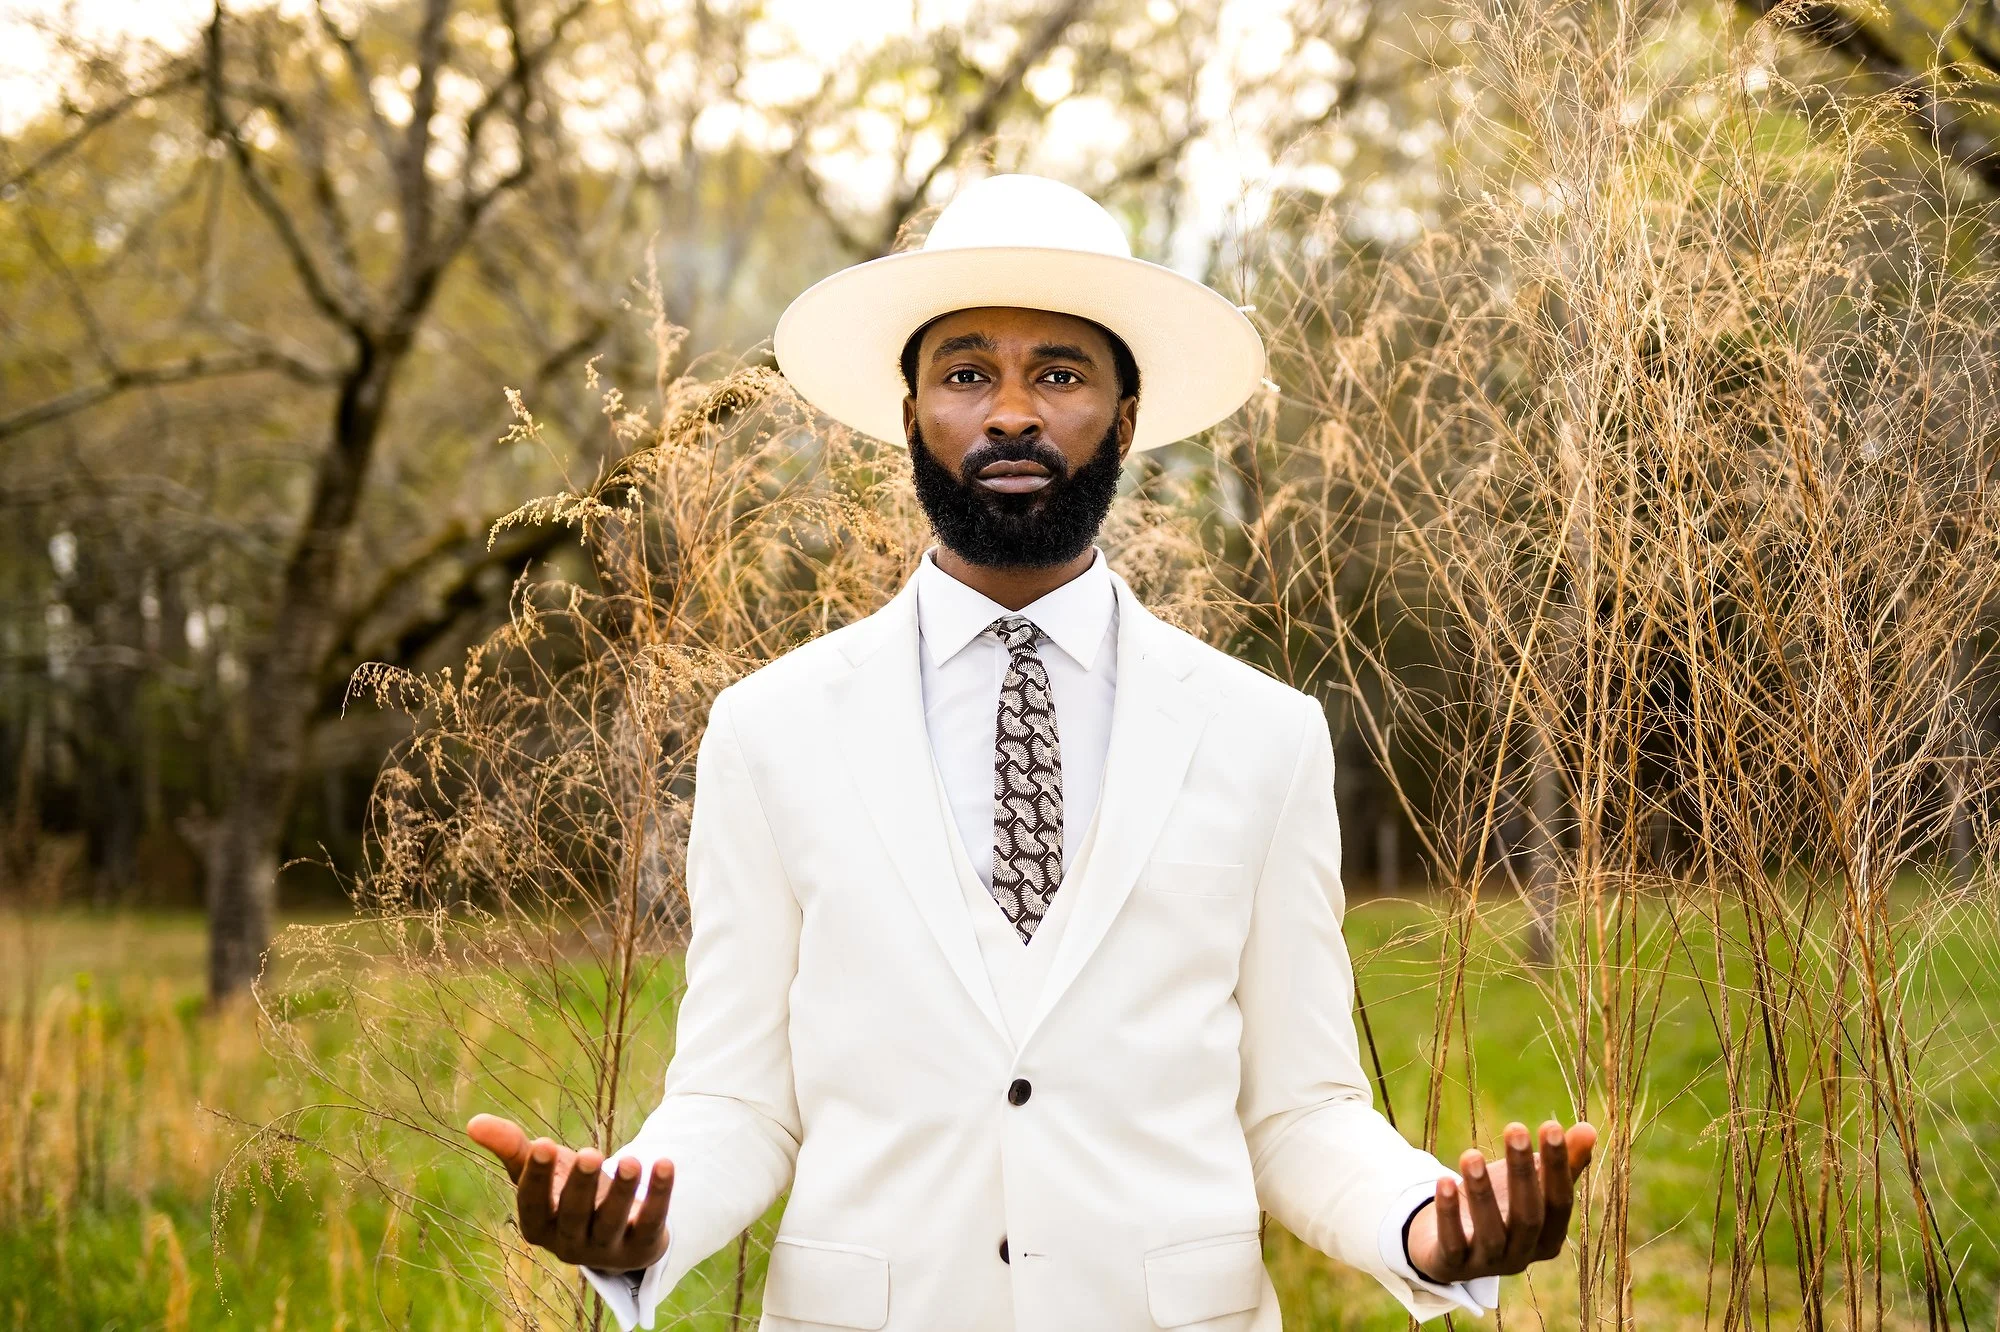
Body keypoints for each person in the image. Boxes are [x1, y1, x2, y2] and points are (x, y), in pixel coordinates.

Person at [466, 173, 1595, 1331]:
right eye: (966, 375)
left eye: (1057, 375)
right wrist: (643, 1216)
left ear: (1125, 417)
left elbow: (1298, 1110)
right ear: (910, 413)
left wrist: (1421, 1224)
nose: (1010, 413)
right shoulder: (770, 730)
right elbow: (738, 1100)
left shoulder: (1262, 735)